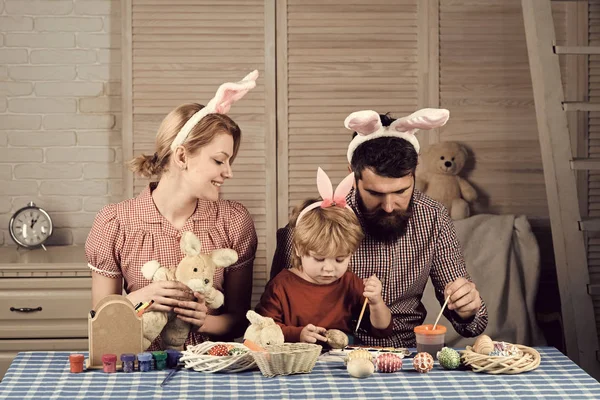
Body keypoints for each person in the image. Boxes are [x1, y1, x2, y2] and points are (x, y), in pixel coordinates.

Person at [270, 108, 488, 348]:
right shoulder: (314, 222)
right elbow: (276, 312)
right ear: (352, 176)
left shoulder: (434, 216)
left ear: (414, 175)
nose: (388, 206)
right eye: (375, 193)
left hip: (405, 352)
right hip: (328, 355)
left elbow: (471, 324)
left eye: (401, 191)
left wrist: (466, 306)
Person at [86, 71, 259, 350]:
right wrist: (145, 297)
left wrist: (205, 321)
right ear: (181, 156)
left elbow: (240, 320)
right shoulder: (115, 222)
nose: (228, 172)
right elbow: (100, 322)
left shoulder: (234, 221)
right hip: (141, 371)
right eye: (219, 160)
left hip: (212, 370)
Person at [256, 168, 393, 343]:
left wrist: (376, 302)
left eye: (340, 259)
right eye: (319, 258)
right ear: (298, 248)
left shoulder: (351, 283)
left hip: (341, 363)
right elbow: (262, 330)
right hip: (295, 361)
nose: (329, 268)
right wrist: (298, 334)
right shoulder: (281, 286)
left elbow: (382, 330)